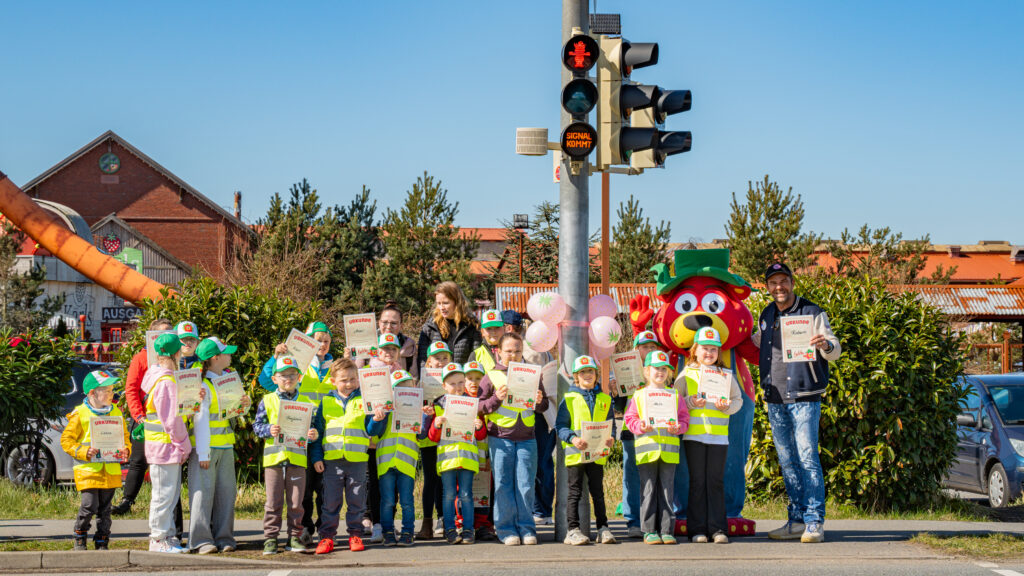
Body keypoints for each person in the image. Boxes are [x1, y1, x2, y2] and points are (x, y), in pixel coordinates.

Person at [755, 262, 841, 544]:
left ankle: (814, 521)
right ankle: (796, 520)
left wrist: (826, 345)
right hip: (775, 397)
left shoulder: (812, 312)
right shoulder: (766, 314)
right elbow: (756, 343)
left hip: (804, 396)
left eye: (783, 281)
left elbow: (835, 349)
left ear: (792, 283)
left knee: (807, 458)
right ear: (767, 287)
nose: (778, 287)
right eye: (773, 283)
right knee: (788, 462)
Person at [477, 332, 549, 546]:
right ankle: (506, 529)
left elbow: (544, 406)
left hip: (527, 438)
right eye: (508, 351)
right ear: (498, 352)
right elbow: (478, 406)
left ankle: (527, 528)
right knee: (503, 484)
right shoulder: (490, 376)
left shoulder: (532, 374)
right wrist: (495, 399)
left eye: (517, 351)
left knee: (525, 484)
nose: (513, 354)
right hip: (500, 438)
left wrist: (539, 401)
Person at [114, 318, 182, 530]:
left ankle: (175, 525)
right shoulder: (141, 358)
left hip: (169, 423)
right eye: (162, 333)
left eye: (170, 332)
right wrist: (139, 416)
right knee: (138, 461)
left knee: (170, 475)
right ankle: (127, 500)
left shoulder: (178, 358)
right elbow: (131, 389)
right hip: (147, 421)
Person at [187, 337, 251, 554]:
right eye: (226, 353)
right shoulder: (203, 385)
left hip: (225, 447)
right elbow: (200, 420)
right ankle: (200, 541)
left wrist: (245, 404)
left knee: (226, 494)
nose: (230, 355)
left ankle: (224, 538)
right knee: (202, 495)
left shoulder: (227, 380)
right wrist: (203, 452)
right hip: (205, 450)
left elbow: (235, 412)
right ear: (215, 358)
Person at [680, 328, 743, 544]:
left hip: (718, 437)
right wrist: (690, 402)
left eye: (714, 349)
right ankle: (697, 530)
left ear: (719, 352)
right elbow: (676, 402)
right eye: (705, 348)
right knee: (697, 482)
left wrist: (727, 407)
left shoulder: (726, 375)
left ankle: (718, 529)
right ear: (695, 350)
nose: (709, 353)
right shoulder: (686, 374)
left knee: (715, 482)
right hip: (694, 437)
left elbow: (738, 400)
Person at [253, 355, 321, 555]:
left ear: (299, 377)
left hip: (297, 460)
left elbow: (312, 429)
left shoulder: (307, 402)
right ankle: (270, 538)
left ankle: (294, 537)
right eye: (283, 375)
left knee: (296, 503)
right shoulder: (267, 400)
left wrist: (313, 435)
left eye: (292, 374)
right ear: (274, 378)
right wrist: (268, 430)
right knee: (273, 502)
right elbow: (257, 426)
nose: (288, 379)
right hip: (274, 460)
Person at [624, 350, 689, 545]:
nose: (660, 372)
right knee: (648, 490)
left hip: (669, 451)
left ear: (669, 372)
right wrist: (640, 426)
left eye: (664, 369)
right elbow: (630, 419)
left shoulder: (675, 395)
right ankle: (649, 530)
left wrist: (679, 427)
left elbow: (684, 419)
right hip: (647, 451)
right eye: (656, 368)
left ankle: (667, 530)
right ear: (647, 371)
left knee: (668, 491)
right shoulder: (639, 395)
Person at [61, 370, 130, 550]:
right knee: (89, 505)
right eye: (106, 391)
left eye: (112, 390)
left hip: (110, 470)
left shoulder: (116, 411)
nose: (111, 394)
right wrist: (84, 451)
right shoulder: (80, 413)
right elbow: (66, 440)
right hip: (88, 470)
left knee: (105, 509)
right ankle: (80, 535)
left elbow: (124, 436)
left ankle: (102, 540)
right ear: (92, 393)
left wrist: (126, 449)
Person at [501, 311, 556, 523]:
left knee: (538, 464)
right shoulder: (515, 348)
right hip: (518, 417)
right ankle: (536, 510)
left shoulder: (533, 348)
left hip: (537, 416)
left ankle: (540, 510)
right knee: (532, 465)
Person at [141, 334, 194, 553]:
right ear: (176, 353)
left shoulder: (156, 377)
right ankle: (158, 539)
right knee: (164, 496)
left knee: (168, 495)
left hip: (162, 447)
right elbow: (172, 420)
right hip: (166, 447)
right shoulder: (167, 382)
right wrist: (184, 444)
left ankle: (168, 536)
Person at [312, 357, 370, 555]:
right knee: (330, 501)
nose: (349, 384)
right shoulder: (326, 402)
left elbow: (373, 429)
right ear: (333, 381)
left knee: (357, 500)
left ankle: (355, 534)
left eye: (353, 379)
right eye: (344, 380)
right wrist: (317, 458)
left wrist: (379, 418)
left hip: (357, 461)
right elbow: (318, 432)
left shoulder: (364, 400)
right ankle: (327, 537)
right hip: (332, 461)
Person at [557, 356, 617, 546]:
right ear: (576, 376)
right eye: (582, 372)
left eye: (590, 371)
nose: (587, 375)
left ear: (596, 374)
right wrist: (573, 438)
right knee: (574, 492)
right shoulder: (569, 398)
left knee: (598, 492)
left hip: (597, 453)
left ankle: (603, 528)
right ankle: (572, 530)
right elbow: (561, 426)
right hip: (576, 454)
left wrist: (611, 438)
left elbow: (611, 425)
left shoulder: (605, 399)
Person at [425, 363, 488, 545]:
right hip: (447, 459)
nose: (458, 386)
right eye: (452, 383)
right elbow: (432, 437)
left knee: (467, 494)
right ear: (444, 385)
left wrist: (479, 426)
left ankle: (468, 530)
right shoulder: (438, 405)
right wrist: (436, 424)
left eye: (461, 382)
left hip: (467, 458)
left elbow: (481, 435)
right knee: (449, 495)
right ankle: (450, 530)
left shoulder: (473, 404)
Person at [366, 369, 428, 547]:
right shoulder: (384, 410)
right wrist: (377, 418)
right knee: (387, 501)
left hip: (406, 463)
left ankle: (408, 532)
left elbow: (422, 435)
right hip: (386, 463)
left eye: (407, 388)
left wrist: (426, 417)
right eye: (397, 389)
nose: (402, 392)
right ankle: (388, 532)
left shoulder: (417, 410)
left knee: (407, 501)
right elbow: (372, 431)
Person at [614, 330, 663, 539]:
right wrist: (615, 391)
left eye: (653, 347)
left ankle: (653, 521)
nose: (649, 350)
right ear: (636, 349)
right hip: (631, 431)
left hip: (655, 432)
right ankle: (633, 520)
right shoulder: (625, 370)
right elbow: (618, 407)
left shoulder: (661, 371)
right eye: (645, 347)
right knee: (632, 476)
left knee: (653, 477)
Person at [299, 321, 335, 547]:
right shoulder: (299, 364)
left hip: (326, 433)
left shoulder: (335, 366)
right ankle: (305, 527)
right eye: (318, 340)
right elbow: (267, 380)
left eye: (326, 340)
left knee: (325, 487)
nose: (322, 344)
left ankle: (324, 528)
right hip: (302, 431)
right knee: (304, 486)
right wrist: (276, 357)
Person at [416, 340, 453, 539]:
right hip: (428, 438)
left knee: (444, 481)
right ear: (428, 361)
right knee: (430, 479)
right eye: (437, 358)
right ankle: (427, 523)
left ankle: (445, 520)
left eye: (445, 358)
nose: (441, 362)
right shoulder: (420, 382)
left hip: (448, 437)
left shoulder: (454, 379)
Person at [417, 281, 482, 374]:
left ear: (457, 302)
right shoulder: (430, 327)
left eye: (445, 303)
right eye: (439, 303)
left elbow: (476, 359)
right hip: (435, 380)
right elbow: (422, 361)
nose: (441, 307)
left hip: (461, 380)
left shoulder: (472, 326)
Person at [463, 361, 496, 541]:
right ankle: (463, 524)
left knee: (483, 491)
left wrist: (491, 456)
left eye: (479, 378)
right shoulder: (458, 401)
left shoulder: (488, 403)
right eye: (470, 378)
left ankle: (482, 525)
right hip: (464, 458)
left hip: (484, 458)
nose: (474, 382)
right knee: (464, 491)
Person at [380, 301, 417, 375]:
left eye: (393, 323)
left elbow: (414, 377)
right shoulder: (369, 343)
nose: (388, 327)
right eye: (385, 322)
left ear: (401, 326)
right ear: (379, 323)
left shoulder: (409, 345)